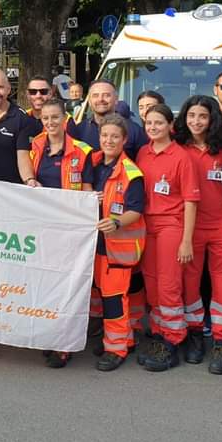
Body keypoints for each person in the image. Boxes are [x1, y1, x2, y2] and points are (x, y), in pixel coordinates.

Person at [26, 99, 93, 368]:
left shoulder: (83, 151)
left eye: (55, 118)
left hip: (71, 229)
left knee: (67, 287)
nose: (50, 123)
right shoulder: (36, 146)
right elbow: (29, 176)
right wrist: (30, 180)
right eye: (45, 119)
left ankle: (63, 344)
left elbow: (87, 189)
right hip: (43, 227)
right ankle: (48, 336)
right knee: (45, 284)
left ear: (65, 119)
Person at [174, 95, 222, 374]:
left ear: (212, 119)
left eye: (202, 116)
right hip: (189, 228)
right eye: (191, 116)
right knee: (190, 284)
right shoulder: (177, 147)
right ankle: (195, 336)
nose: (196, 121)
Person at [136, 103, 199, 372]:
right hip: (145, 226)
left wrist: (186, 240)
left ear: (170, 126)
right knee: (151, 285)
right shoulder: (143, 152)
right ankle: (160, 332)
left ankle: (174, 339)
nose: (153, 127)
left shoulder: (181, 157)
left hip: (171, 226)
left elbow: (191, 200)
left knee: (169, 285)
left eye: (158, 123)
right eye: (149, 123)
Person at [86, 114, 146, 372]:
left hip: (117, 247)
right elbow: (84, 189)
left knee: (114, 300)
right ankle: (122, 339)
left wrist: (117, 222)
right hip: (96, 244)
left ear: (124, 140)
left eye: (114, 136)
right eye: (105, 135)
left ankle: (117, 349)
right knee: (101, 295)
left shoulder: (132, 173)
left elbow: (136, 210)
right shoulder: (94, 161)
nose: (108, 140)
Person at [68, 79, 149, 160]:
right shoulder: (79, 130)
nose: (101, 99)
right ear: (89, 100)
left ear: (116, 99)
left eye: (106, 95)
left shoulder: (134, 130)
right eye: (95, 95)